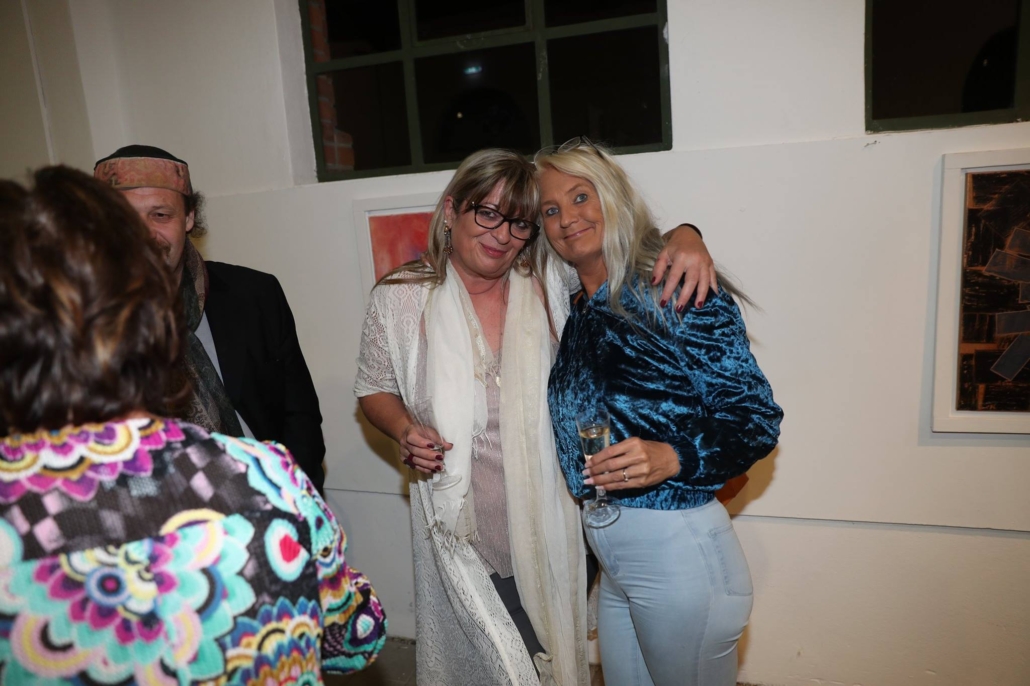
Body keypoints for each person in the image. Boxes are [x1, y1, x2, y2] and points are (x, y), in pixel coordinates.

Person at [0, 166, 386, 682]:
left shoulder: (251, 294)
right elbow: (356, 638)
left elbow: (298, 404)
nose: (147, 233)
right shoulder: (265, 481)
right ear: (148, 324)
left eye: (159, 214)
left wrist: (303, 495)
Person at [354, 148, 717, 686]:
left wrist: (687, 234)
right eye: (488, 213)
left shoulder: (549, 280)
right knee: (503, 664)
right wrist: (404, 428)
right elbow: (373, 387)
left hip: (555, 527)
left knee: (544, 658)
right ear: (451, 210)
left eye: (520, 222)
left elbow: (616, 246)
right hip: (460, 528)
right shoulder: (399, 298)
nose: (502, 235)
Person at [537, 138, 783, 686]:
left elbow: (755, 418)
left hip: (680, 558)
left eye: (580, 196)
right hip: (617, 565)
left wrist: (675, 456)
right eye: (550, 209)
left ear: (613, 197)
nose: (566, 218)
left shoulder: (672, 290)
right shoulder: (576, 309)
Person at [93, 145, 326, 492]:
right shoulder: (75, 323)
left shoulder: (255, 294)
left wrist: (294, 497)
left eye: (161, 215)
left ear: (188, 218)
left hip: (273, 497)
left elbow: (300, 417)